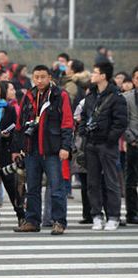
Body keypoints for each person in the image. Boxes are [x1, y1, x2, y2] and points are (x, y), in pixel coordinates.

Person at [12, 65, 74, 235]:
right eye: (36, 77)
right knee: (32, 188)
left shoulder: (59, 95)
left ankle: (59, 221)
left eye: (43, 77)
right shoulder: (29, 95)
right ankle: (32, 220)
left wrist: (65, 147)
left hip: (52, 150)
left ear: (50, 78)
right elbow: (19, 123)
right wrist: (17, 148)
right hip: (31, 150)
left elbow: (68, 123)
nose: (39, 80)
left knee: (56, 188)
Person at [79, 62, 128, 231]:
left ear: (103, 76)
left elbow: (121, 122)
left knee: (111, 181)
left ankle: (113, 217)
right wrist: (84, 131)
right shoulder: (91, 95)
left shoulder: (116, 97)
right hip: (91, 144)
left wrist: (109, 139)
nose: (92, 75)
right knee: (92, 182)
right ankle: (96, 216)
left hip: (107, 146)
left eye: (95, 72)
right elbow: (83, 116)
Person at [0, 80, 25, 226]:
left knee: (11, 185)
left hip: (4, 150)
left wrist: (6, 135)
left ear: (1, 90)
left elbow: (15, 128)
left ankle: (21, 215)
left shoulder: (8, 108)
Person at [124, 66, 138, 225]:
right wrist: (132, 139)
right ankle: (132, 213)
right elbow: (123, 122)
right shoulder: (126, 98)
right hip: (133, 143)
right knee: (131, 181)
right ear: (134, 80)